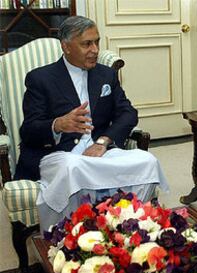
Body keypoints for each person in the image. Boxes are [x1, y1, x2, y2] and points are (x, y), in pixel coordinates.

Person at [14, 16, 169, 233]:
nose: (95, 50)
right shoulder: (40, 78)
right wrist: (58, 124)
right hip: (58, 154)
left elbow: (127, 113)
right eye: (87, 44)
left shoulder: (106, 74)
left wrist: (104, 141)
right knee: (72, 168)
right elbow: (28, 130)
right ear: (66, 46)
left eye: (97, 42)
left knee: (147, 161)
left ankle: (126, 227)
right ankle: (69, 236)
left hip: (98, 151)